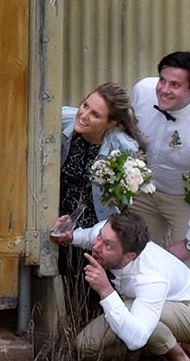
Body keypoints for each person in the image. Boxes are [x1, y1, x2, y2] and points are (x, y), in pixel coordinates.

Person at [128, 52, 190, 361]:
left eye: (175, 85)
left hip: (185, 198)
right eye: (163, 80)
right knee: (138, 261)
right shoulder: (142, 90)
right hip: (144, 188)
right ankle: (146, 341)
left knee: (189, 268)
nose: (164, 90)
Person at [55, 211, 190, 361]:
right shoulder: (106, 231)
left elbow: (137, 338)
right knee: (85, 347)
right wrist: (69, 236)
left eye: (108, 246)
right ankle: (164, 349)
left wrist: (106, 290)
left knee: (135, 321)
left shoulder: (150, 278)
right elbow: (87, 236)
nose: (96, 247)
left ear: (129, 257)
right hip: (143, 305)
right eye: (99, 238)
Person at [50, 83, 144, 322]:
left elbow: (123, 200)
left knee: (90, 285)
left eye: (95, 114)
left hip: (97, 221)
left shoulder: (123, 149)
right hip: (62, 215)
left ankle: (93, 339)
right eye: (85, 105)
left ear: (111, 123)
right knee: (63, 278)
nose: (84, 115)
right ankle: (70, 334)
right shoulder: (62, 120)